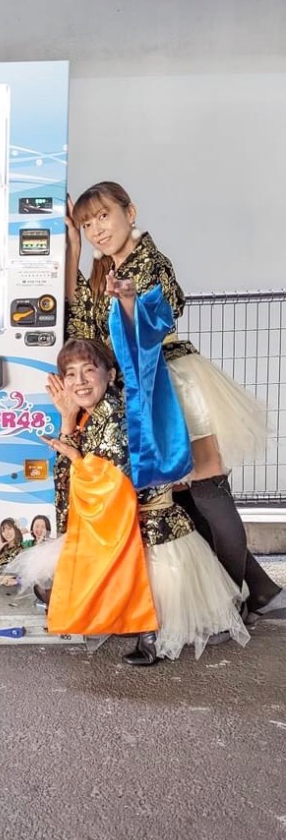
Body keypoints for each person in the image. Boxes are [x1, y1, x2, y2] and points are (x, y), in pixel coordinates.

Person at [65, 181, 284, 620]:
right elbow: (82, 321)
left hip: (174, 385)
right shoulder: (104, 266)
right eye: (88, 223)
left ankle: (230, 599)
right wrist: (72, 246)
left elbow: (160, 316)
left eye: (103, 216)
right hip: (139, 392)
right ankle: (258, 590)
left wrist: (128, 301)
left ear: (130, 211)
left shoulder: (149, 261)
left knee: (207, 490)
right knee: (179, 498)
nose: (96, 229)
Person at [17, 340, 249, 664]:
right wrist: (68, 422)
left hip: (149, 530)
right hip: (120, 525)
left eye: (88, 371)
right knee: (62, 583)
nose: (80, 381)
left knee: (129, 588)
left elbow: (111, 484)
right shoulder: (91, 412)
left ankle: (151, 638)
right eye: (70, 374)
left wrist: (72, 451)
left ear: (110, 375)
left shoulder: (115, 413)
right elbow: (70, 481)